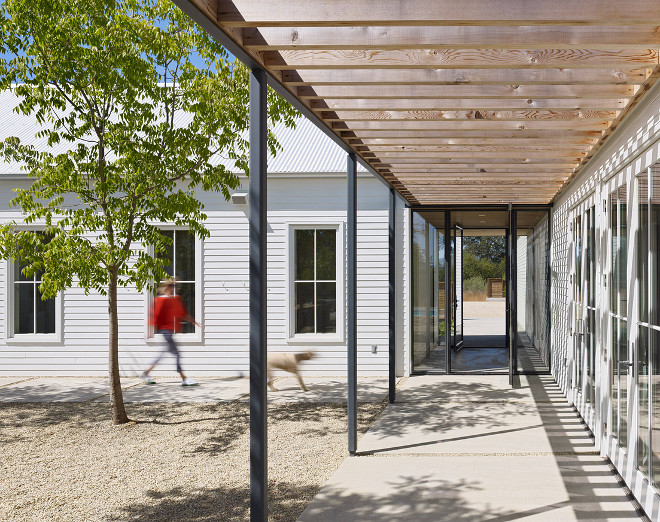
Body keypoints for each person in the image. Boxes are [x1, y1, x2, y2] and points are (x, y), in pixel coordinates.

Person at [141, 277, 202, 386]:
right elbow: (154, 316)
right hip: (165, 332)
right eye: (172, 285)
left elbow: (183, 313)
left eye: (176, 286)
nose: (175, 288)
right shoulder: (159, 300)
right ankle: (184, 378)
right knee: (177, 354)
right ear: (166, 287)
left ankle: (146, 373)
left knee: (162, 354)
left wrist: (194, 322)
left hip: (169, 331)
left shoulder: (174, 299)